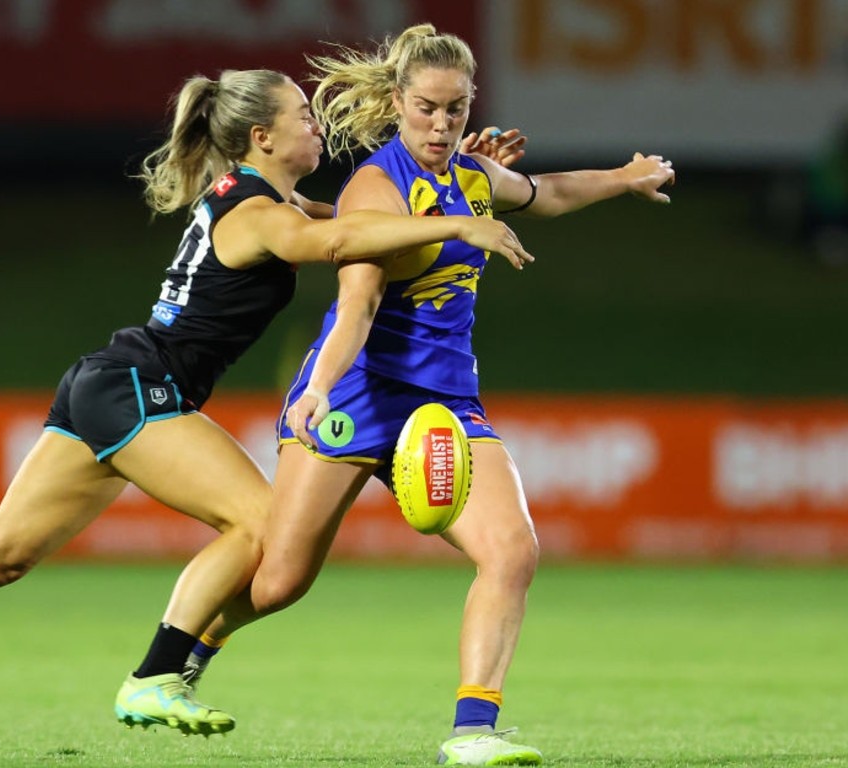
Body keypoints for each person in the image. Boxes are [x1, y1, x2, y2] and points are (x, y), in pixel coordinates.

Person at [0, 68, 534, 736]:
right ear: (263, 137)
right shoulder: (259, 212)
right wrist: (458, 224)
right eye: (302, 117)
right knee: (261, 523)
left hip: (110, 381)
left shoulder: (267, 199)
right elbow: (343, 237)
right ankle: (157, 675)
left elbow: (368, 213)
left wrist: (451, 186)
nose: (316, 127)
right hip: (142, 385)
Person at [182, 25, 676, 765]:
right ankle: (185, 653)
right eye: (426, 109)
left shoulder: (474, 179)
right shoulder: (375, 188)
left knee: (512, 551)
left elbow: (546, 194)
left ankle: (473, 730)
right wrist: (315, 389)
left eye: (455, 108)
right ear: (396, 105)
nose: (441, 125)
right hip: (356, 392)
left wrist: (624, 177)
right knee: (281, 580)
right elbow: (358, 306)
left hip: (444, 402)